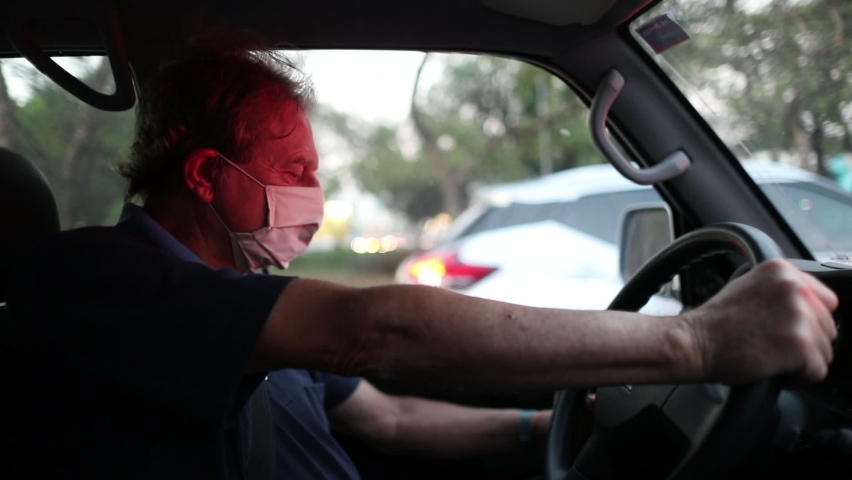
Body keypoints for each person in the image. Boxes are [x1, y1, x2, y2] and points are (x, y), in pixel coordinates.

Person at [0, 32, 838, 480]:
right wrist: (697, 344)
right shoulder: (96, 278)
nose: (313, 195)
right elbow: (378, 328)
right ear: (207, 178)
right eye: (295, 172)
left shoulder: (241, 302)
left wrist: (554, 422)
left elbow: (387, 415)